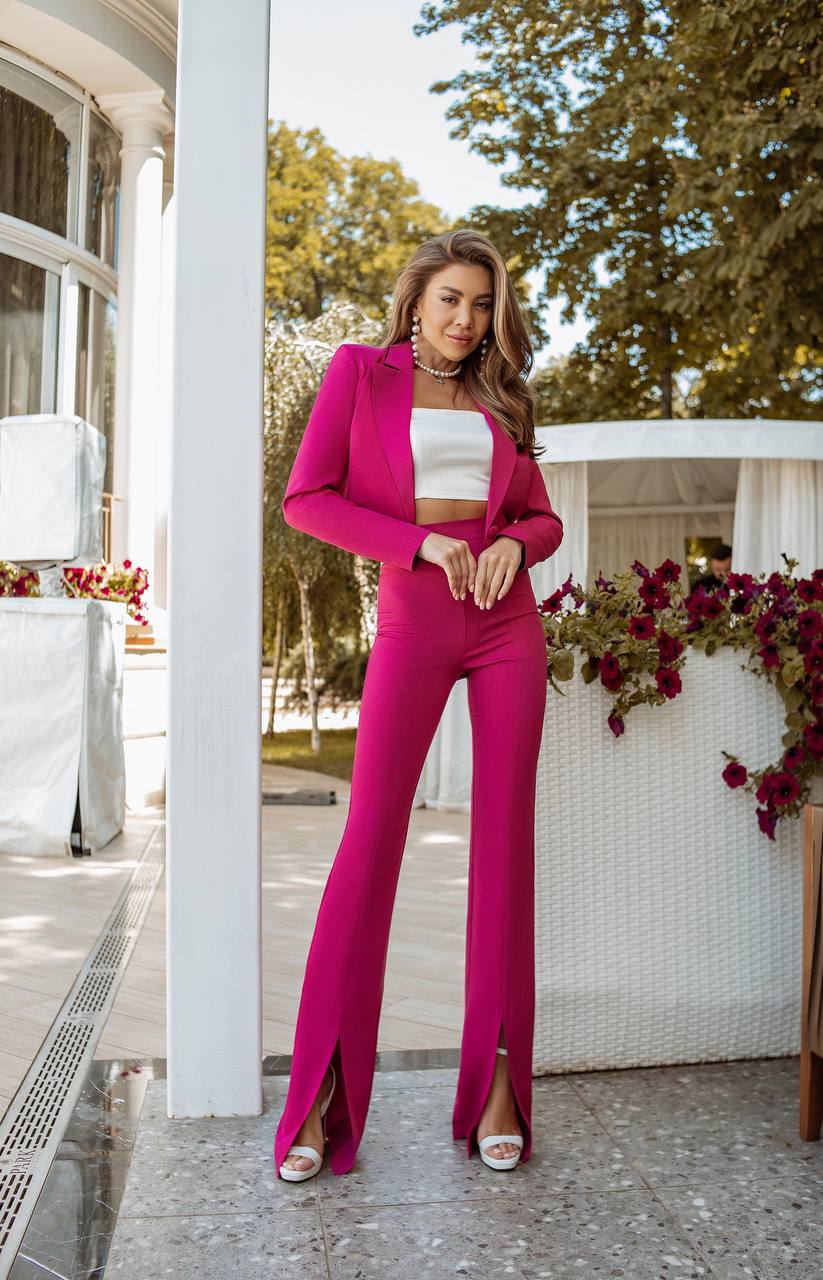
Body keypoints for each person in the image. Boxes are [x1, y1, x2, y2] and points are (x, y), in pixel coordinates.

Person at [273, 229, 564, 1182]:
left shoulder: (503, 394)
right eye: (449, 300)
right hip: (414, 615)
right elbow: (306, 499)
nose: (464, 320)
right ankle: (320, 1097)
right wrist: (418, 544)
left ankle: (498, 1088)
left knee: (504, 848)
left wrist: (513, 543)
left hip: (505, 624)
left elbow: (541, 514)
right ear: (415, 301)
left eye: (481, 304)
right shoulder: (359, 374)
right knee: (369, 845)